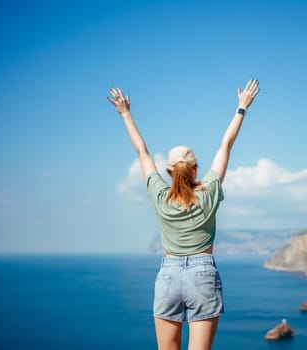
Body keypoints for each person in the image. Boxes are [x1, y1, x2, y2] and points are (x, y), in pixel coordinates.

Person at [108, 79, 260, 350]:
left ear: (168, 171)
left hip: (168, 274)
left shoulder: (159, 196)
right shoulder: (210, 191)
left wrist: (125, 113)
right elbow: (226, 145)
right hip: (203, 273)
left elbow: (142, 152)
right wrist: (241, 108)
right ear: (196, 168)